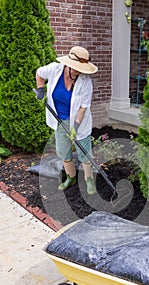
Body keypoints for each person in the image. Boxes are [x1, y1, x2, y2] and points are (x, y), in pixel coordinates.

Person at [34, 46, 98, 194]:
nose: (78, 71)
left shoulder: (86, 82)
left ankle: (89, 179)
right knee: (63, 151)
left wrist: (75, 126)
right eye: (76, 68)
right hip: (59, 119)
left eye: (81, 69)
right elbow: (39, 73)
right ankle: (71, 177)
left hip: (79, 121)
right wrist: (40, 89)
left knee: (84, 151)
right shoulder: (55, 69)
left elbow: (83, 107)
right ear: (69, 64)